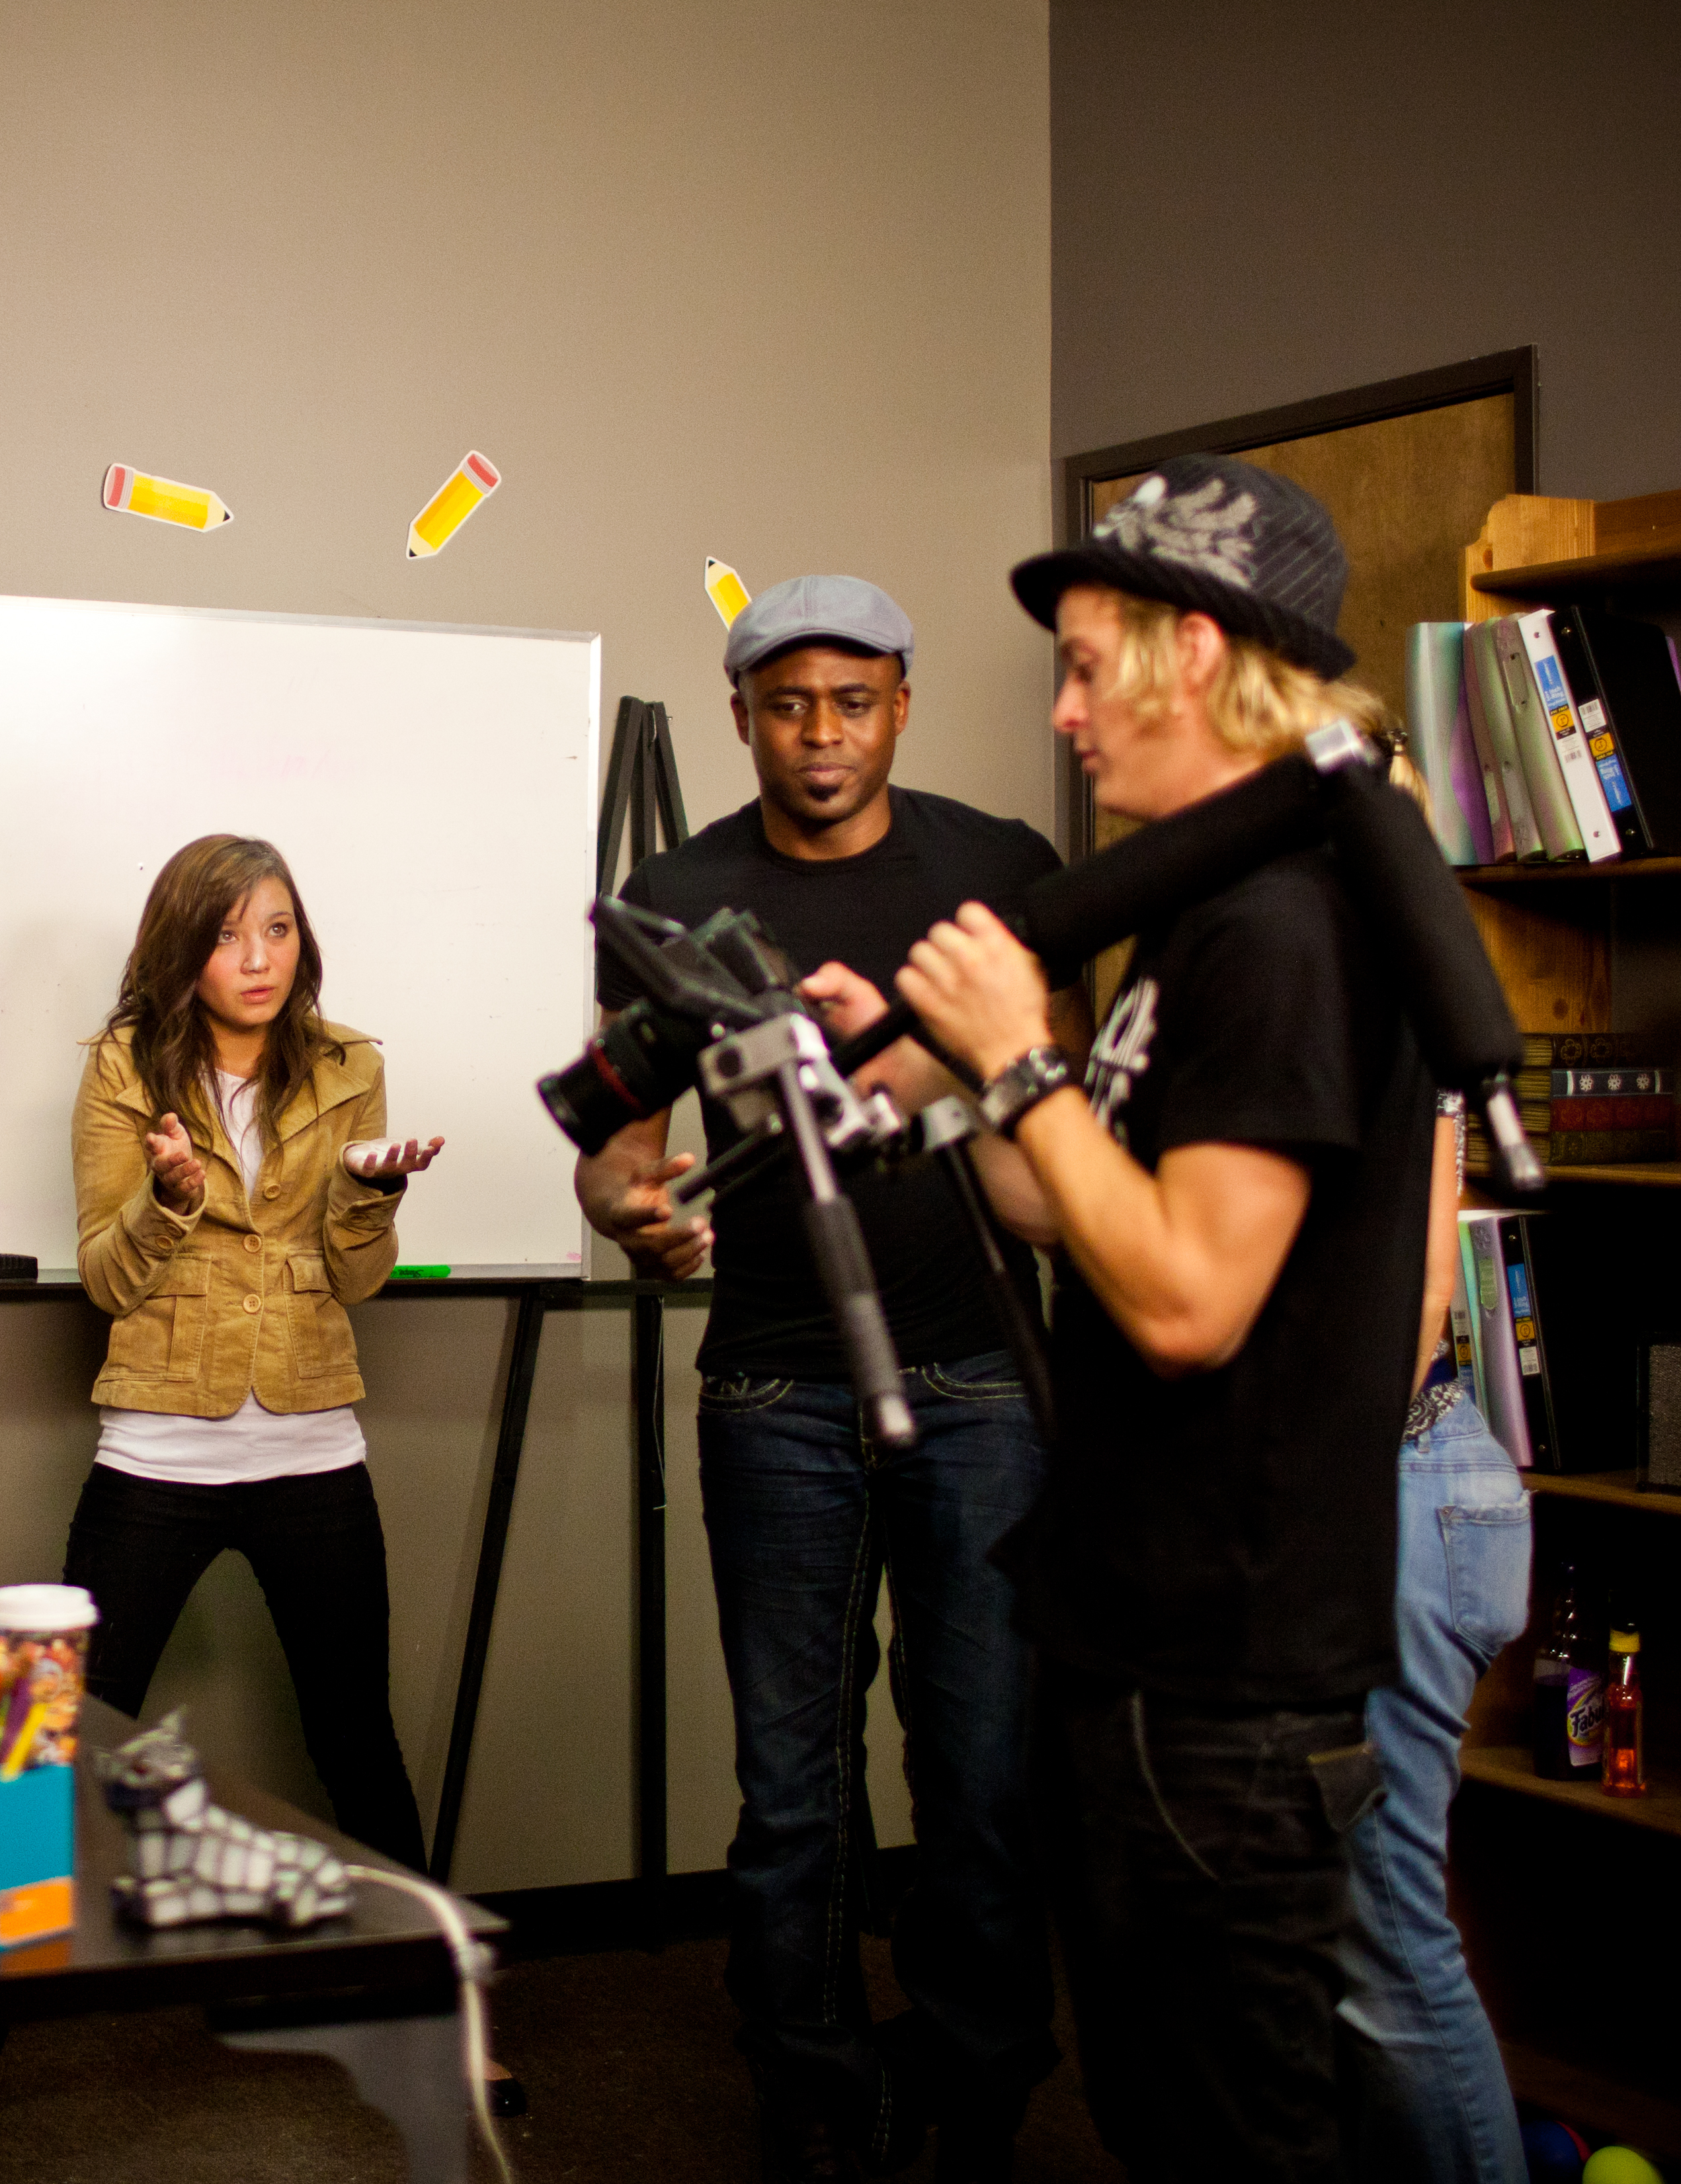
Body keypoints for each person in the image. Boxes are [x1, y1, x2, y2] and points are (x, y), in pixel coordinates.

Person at [880, 455, 1434, 2180]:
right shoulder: (1196, 923)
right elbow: (1083, 1215)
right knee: (1150, 2115)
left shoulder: (1287, 926)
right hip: (1130, 1643)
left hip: (1229, 1686)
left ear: (1195, 656)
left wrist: (1015, 1053)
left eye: (1089, 663)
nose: (1063, 711)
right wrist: (978, 1092)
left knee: (1237, 2140)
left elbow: (1189, 1297)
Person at [573, 575, 1070, 2181]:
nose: (820, 736)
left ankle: (978, 2076)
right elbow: (612, 1146)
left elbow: (1055, 1100)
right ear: (739, 717)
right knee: (793, 1778)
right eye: (787, 706)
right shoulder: (671, 892)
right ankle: (809, 2078)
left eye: (852, 702)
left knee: (980, 1762)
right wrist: (633, 1216)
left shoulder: (995, 868)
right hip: (774, 1385)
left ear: (901, 704)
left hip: (982, 1379)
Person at [0, 833, 454, 2157]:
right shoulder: (122, 1071)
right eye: (228, 935)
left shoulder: (348, 1065)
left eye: (277, 930)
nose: (258, 959)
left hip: (312, 1446)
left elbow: (354, 1276)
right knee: (34, 1734)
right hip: (157, 1449)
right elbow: (106, 1277)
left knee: (357, 1744)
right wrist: (165, 1201)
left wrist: (372, 1204)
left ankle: (446, 2018)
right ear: (181, 948)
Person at [1338, 972, 1532, 2181]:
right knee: (1338, 1946)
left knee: (1385, 1944)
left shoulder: (1381, 1008)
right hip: (1401, 1488)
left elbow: (1409, 1316)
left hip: (1403, 1491)